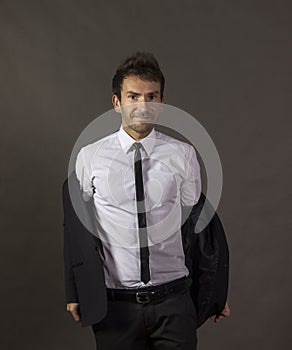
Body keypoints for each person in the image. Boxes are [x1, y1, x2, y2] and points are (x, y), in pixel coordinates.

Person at [63, 52, 230, 350]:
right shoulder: (90, 156)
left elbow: (198, 228)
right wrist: (74, 291)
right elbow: (76, 230)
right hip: (116, 307)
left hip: (174, 302)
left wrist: (215, 291)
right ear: (117, 103)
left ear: (162, 103)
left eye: (151, 96)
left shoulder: (184, 154)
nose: (143, 106)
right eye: (133, 96)